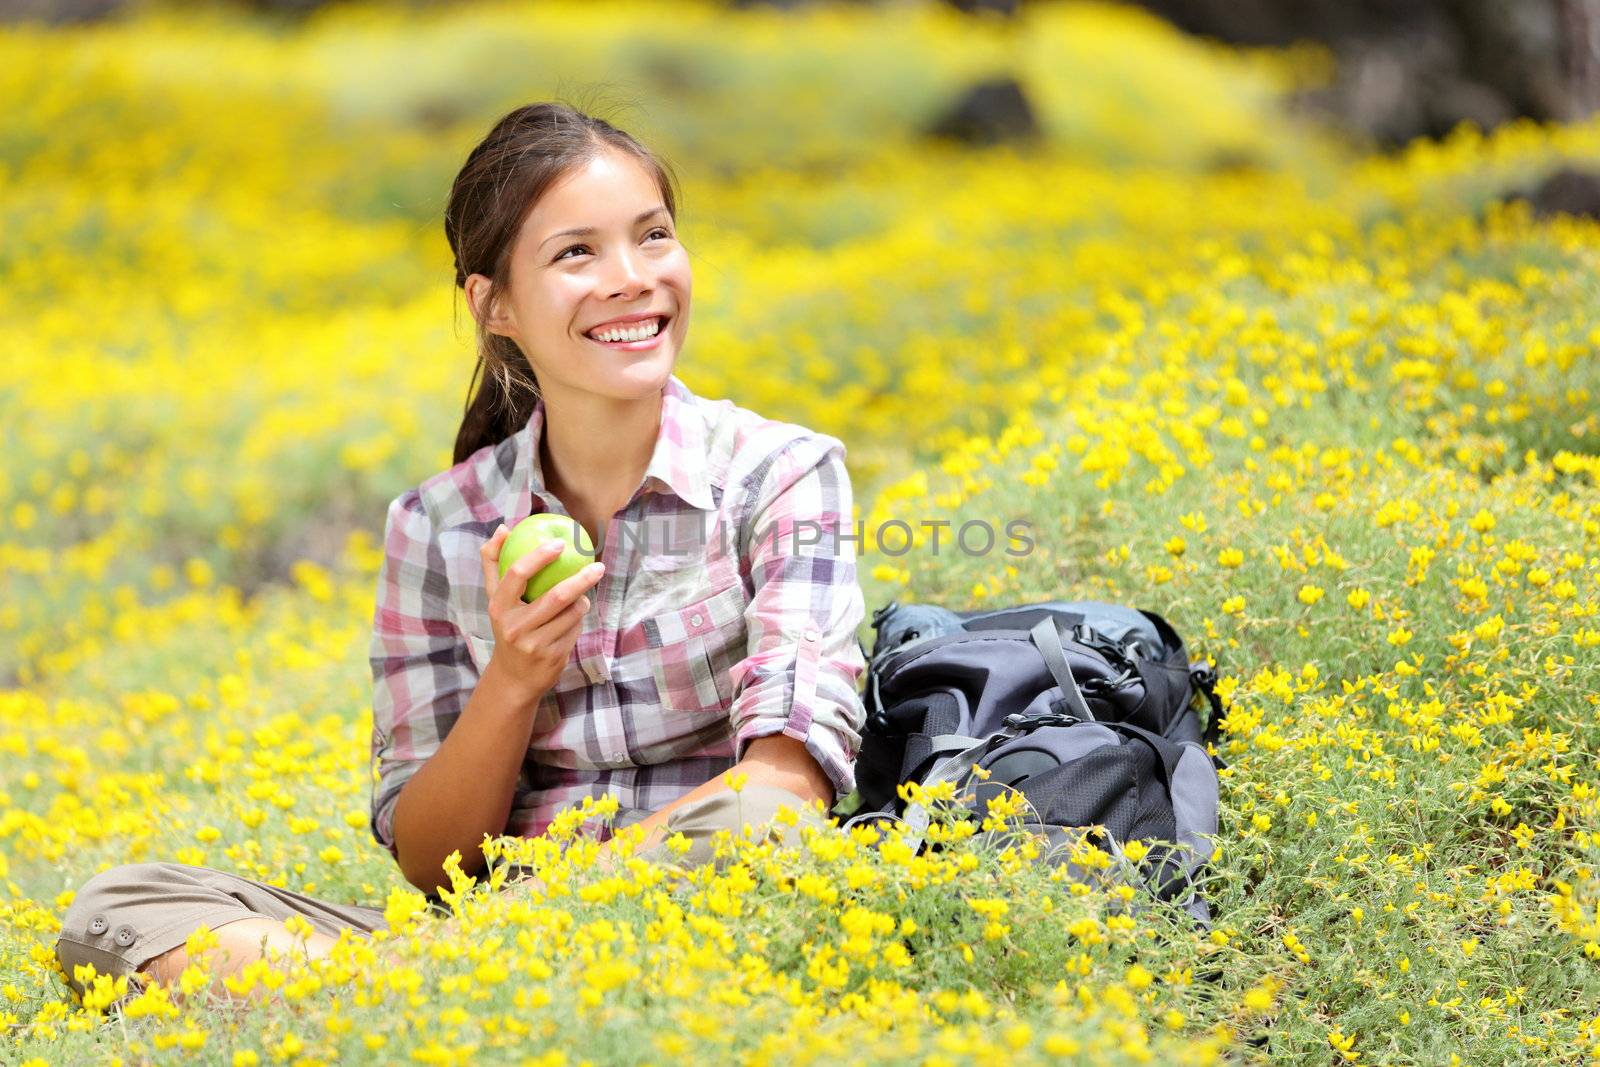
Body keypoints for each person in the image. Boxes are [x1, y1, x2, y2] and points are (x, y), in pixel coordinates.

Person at [53, 101, 869, 1004]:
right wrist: (515, 675)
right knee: (116, 908)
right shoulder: (436, 525)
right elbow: (435, 865)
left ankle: (421, 989)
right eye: (577, 252)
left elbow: (787, 785)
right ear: (495, 305)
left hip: (703, 900)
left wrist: (522, 924)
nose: (633, 278)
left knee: (757, 818)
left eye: (653, 236)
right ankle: (467, 986)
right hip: (481, 925)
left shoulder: (784, 475)